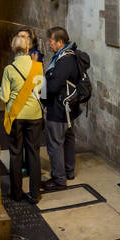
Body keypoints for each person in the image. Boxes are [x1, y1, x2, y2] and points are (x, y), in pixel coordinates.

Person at [0, 32, 44, 205]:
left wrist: (0, 92)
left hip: (16, 115)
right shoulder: (38, 67)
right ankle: (35, 194)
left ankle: (16, 193)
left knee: (16, 153)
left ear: (13, 48)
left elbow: (4, 97)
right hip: (34, 114)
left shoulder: (9, 70)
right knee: (34, 153)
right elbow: (41, 91)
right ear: (28, 48)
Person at [42, 26, 79, 190]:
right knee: (68, 140)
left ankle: (59, 179)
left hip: (58, 108)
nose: (48, 44)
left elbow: (54, 86)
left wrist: (40, 90)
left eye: (51, 41)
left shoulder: (65, 59)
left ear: (60, 42)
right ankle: (69, 172)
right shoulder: (65, 56)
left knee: (55, 143)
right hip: (68, 108)